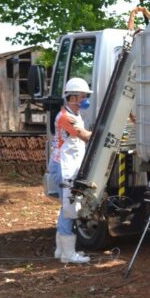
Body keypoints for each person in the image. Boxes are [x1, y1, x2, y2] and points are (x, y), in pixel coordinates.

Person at [51, 77, 93, 264]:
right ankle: (68, 254)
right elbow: (85, 137)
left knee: (66, 208)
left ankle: (61, 250)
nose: (85, 99)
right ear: (74, 97)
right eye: (83, 96)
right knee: (69, 209)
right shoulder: (66, 118)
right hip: (64, 166)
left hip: (67, 164)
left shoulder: (73, 114)